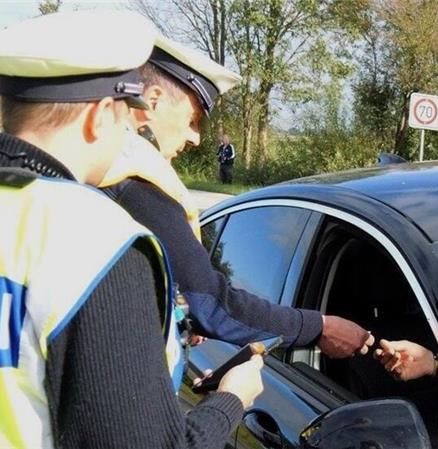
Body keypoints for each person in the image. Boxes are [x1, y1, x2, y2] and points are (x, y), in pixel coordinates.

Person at [0, 11, 263, 449]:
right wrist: (230, 400)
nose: (129, 134)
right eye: (126, 119)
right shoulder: (94, 243)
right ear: (99, 117)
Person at [100, 35, 374, 358]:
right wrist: (319, 327)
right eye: (192, 120)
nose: (196, 138)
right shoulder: (136, 185)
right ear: (155, 101)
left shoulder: (105, 168)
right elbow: (213, 304)